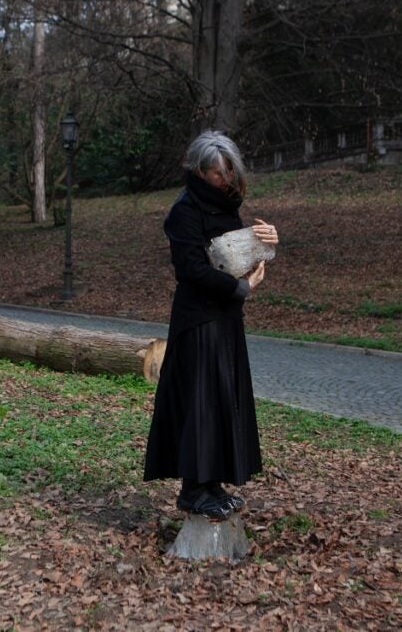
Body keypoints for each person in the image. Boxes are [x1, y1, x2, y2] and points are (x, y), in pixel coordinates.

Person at [143, 130, 279, 520]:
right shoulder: (184, 211)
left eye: (231, 171)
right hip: (198, 320)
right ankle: (193, 490)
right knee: (201, 405)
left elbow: (236, 251)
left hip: (225, 318)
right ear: (201, 172)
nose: (228, 180)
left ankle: (212, 483)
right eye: (221, 173)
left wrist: (268, 240)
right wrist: (239, 288)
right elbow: (192, 270)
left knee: (222, 400)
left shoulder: (224, 202)